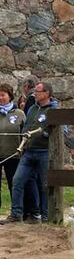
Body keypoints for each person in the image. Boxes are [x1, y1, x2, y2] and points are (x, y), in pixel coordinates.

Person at [0, 81, 60, 225]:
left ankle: (46, 217)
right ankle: (16, 215)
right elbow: (26, 126)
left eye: (38, 92)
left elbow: (61, 131)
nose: (34, 94)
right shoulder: (32, 109)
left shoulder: (54, 111)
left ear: (46, 93)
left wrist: (46, 134)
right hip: (28, 152)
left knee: (46, 184)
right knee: (17, 181)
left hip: (44, 152)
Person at [20, 75, 43, 223]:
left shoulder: (31, 100)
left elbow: (28, 123)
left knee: (31, 179)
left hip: (33, 145)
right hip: (36, 145)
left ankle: (32, 212)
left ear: (27, 87)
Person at [0, 84, 26, 216]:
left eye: (3, 95)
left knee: (13, 184)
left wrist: (22, 149)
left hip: (13, 155)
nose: (0, 97)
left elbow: (25, 134)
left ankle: (16, 213)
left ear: (9, 96)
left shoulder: (19, 114)